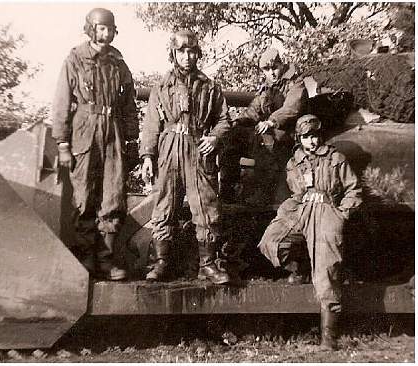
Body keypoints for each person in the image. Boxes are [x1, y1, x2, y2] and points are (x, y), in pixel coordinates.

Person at [258, 114, 362, 349]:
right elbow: (295, 189)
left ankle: (329, 336)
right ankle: (301, 268)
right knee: (271, 242)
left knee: (326, 271)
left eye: (314, 136)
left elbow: (353, 190)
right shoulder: (295, 160)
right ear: (299, 138)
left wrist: (341, 214)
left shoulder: (336, 158)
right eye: (306, 137)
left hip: (327, 210)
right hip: (302, 207)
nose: (311, 141)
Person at [52, 8, 139, 280]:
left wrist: (132, 139)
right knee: (84, 196)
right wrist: (63, 144)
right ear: (90, 29)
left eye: (110, 29)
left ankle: (106, 260)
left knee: (113, 195)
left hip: (113, 131)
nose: (106, 34)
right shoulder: (75, 59)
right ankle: (85, 259)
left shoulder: (118, 63)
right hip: (84, 130)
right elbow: (62, 102)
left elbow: (129, 105)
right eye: (101, 28)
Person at [140, 29, 231, 284]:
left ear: (198, 54)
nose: (187, 57)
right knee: (164, 205)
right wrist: (147, 156)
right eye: (182, 52)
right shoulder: (161, 86)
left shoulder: (210, 87)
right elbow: (150, 125)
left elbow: (224, 120)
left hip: (198, 147)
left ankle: (208, 264)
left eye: (192, 51)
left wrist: (214, 137)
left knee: (206, 206)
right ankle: (161, 262)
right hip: (169, 147)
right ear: (173, 54)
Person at [219, 47, 309, 203]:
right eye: (267, 69)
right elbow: (255, 109)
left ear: (282, 65)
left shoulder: (295, 83)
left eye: (274, 67)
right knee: (232, 137)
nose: (272, 73)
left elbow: (292, 108)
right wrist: (238, 122)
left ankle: (263, 191)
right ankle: (228, 188)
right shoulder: (267, 88)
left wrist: (271, 121)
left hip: (290, 133)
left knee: (265, 141)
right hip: (270, 131)